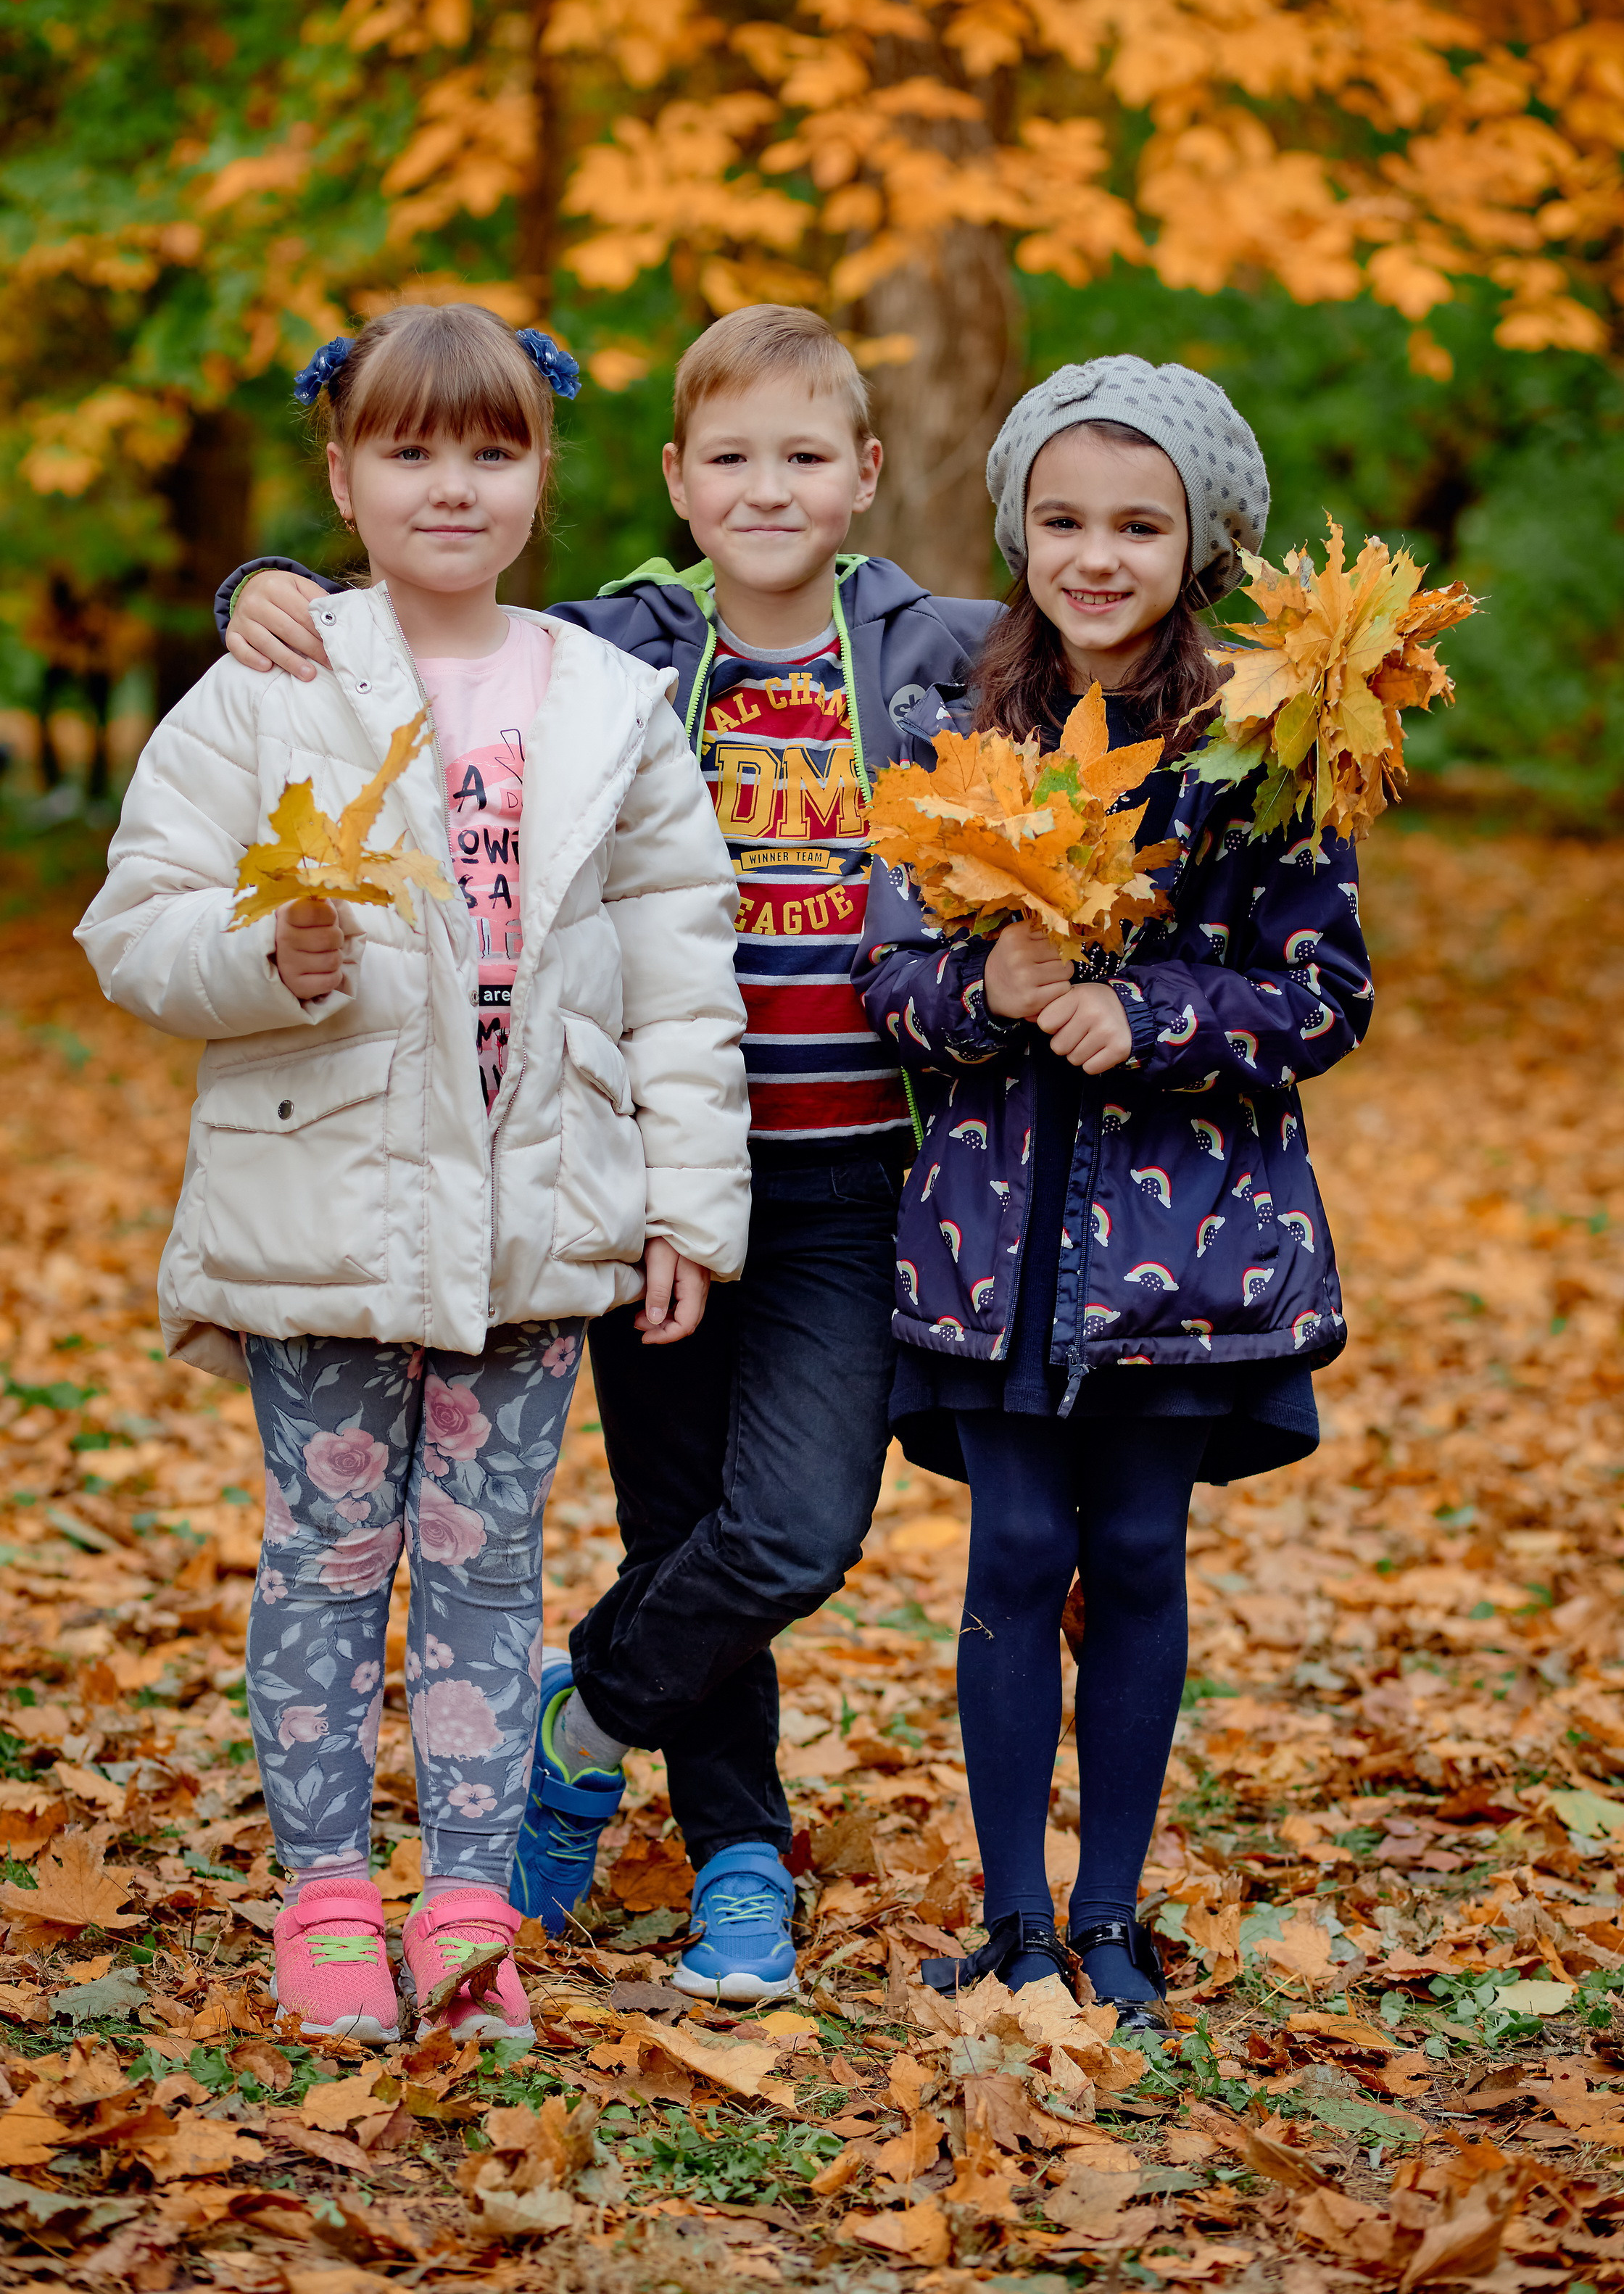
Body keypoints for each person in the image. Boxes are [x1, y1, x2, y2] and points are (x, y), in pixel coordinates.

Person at [197, 306, 1002, 2001]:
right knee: (672, 1523)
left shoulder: (937, 652)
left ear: (865, 474)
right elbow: (427, 615)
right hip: (623, 1177)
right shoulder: (617, 650)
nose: (766, 490)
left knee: (785, 1535)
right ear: (670, 481)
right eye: (730, 459)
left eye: (805, 458)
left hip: (851, 1173)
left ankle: (589, 1707)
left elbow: (1110, 644)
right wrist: (248, 589)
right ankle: (734, 1866)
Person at [76, 303, 750, 2045]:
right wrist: (265, 958)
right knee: (325, 1551)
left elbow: (683, 969)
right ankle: (322, 1895)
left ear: (541, 475)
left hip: (533, 1211)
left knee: (483, 1562)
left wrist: (689, 1197)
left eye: (493, 449)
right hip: (329, 1197)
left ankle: (466, 1902)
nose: (451, 486)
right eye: (410, 450)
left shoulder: (609, 701)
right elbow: (137, 920)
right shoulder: (270, 682)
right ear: (341, 475)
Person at [854, 357, 1373, 2026]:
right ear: (1019, 530)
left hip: (1187, 1240)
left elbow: (1323, 993)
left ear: (1199, 541)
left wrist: (1150, 1014)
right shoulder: (962, 721)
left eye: (1137, 524)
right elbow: (890, 982)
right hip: (991, 1233)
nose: (1096, 554)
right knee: (1012, 1545)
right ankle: (1011, 1916)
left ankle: (1112, 1919)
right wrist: (982, 995)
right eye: (1063, 519)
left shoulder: (1264, 746)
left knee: (1136, 1550)